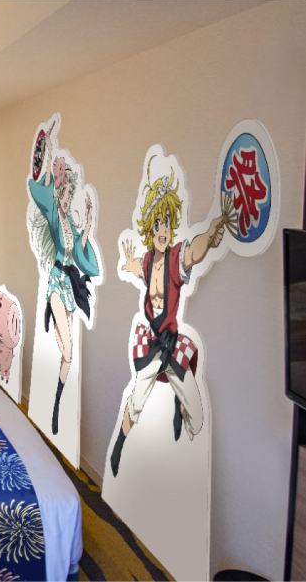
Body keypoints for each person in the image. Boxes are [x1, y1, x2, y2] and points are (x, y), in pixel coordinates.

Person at [110, 162, 225, 476]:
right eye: (158, 223)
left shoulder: (175, 259)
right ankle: (119, 443)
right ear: (151, 227)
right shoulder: (149, 261)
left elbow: (194, 251)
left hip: (172, 345)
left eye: (168, 224)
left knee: (197, 421)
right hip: (152, 345)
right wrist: (128, 263)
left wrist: (210, 233)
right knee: (136, 401)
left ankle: (180, 404)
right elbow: (136, 266)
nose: (163, 230)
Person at [28, 134, 99, 434]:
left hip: (68, 286)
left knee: (66, 354)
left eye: (71, 193)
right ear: (59, 193)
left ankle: (55, 406)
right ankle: (56, 407)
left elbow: (81, 249)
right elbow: (42, 191)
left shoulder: (70, 223)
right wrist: (48, 154)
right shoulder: (55, 217)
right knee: (68, 351)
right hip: (56, 285)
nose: (68, 197)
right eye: (65, 192)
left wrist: (90, 218)